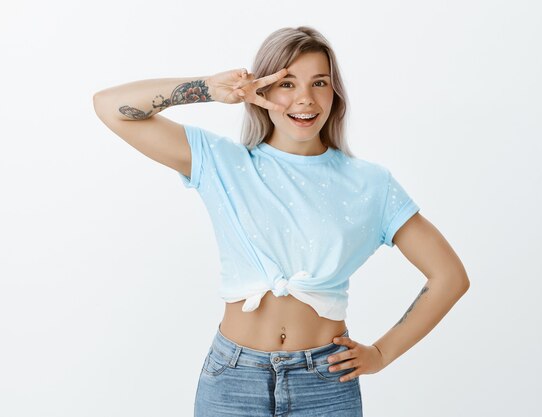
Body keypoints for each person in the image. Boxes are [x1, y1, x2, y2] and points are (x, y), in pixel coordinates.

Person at [93, 26, 470, 417]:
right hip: (233, 380)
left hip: (325, 383)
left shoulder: (370, 184)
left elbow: (449, 276)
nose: (304, 99)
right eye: (286, 83)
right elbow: (109, 107)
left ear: (334, 93)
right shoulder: (223, 162)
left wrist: (380, 354)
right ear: (263, 91)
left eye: (319, 82)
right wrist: (209, 88)